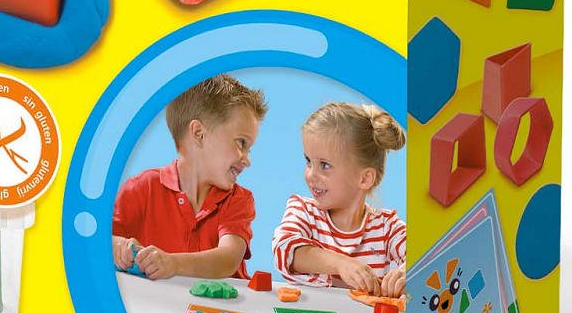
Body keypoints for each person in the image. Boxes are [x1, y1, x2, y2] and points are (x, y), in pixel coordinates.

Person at [112, 74, 266, 280]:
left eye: (249, 148)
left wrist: (173, 263)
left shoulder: (238, 200)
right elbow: (95, 240)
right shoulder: (141, 189)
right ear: (199, 134)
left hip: (228, 301)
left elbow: (227, 259)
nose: (247, 160)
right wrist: (117, 246)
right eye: (241, 143)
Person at [272, 102, 406, 296]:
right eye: (308, 161)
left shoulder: (387, 228)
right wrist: (341, 264)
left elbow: (423, 257)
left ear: (364, 178)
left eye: (324, 165)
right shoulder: (303, 211)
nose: (310, 175)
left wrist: (405, 273)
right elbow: (285, 249)